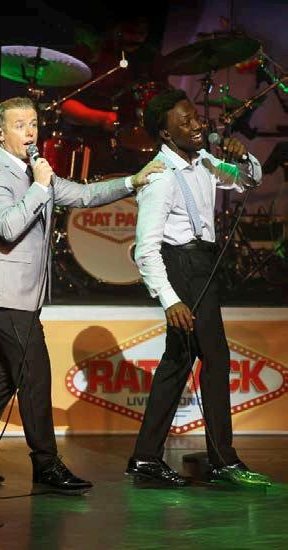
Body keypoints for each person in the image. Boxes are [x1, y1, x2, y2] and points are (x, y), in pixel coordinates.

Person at [0, 96, 165, 495]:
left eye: (33, 124)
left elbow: (82, 195)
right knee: (35, 376)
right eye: (20, 125)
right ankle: (45, 463)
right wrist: (41, 186)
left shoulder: (34, 170)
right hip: (6, 296)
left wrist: (132, 181)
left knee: (2, 377)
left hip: (22, 297)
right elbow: (8, 228)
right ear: (0, 133)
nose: (30, 133)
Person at [126, 88, 270, 486]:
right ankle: (223, 460)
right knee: (216, 358)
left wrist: (243, 158)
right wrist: (170, 299)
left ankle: (145, 458)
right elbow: (146, 249)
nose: (197, 125)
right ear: (166, 133)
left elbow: (248, 181)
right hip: (182, 266)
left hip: (203, 264)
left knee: (177, 362)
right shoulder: (160, 177)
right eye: (185, 122)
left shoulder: (204, 161)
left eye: (195, 117)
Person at [60, 17, 169, 174]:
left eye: (141, 33)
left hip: (137, 146)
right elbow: (66, 106)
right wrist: (103, 118)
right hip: (89, 140)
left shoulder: (151, 59)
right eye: (130, 31)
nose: (136, 38)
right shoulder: (91, 53)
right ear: (116, 28)